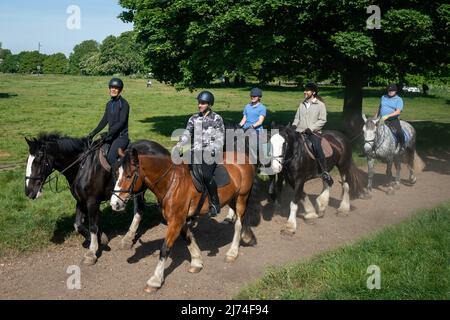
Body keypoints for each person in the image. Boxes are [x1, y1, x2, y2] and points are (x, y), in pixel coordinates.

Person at [176, 91, 225, 217]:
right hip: (195, 151)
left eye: (203, 103)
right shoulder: (193, 118)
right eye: (199, 103)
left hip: (211, 152)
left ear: (209, 104)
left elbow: (220, 138)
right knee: (180, 170)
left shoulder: (217, 118)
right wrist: (179, 145)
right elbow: (187, 134)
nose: (200, 105)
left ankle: (215, 203)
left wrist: (212, 151)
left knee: (206, 174)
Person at [292, 82, 333, 186]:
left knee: (317, 146)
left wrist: (311, 128)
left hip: (313, 133)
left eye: (307, 90)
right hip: (299, 131)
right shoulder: (302, 104)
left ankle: (324, 171)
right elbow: (297, 117)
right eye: (304, 90)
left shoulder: (320, 105)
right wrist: (293, 126)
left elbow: (323, 120)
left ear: (313, 92)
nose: (305, 92)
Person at [87, 78, 130, 166]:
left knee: (111, 157)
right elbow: (104, 120)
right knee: (94, 150)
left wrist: (108, 134)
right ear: (109, 89)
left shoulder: (124, 104)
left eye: (116, 88)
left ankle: (117, 178)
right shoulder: (109, 104)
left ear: (120, 90)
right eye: (111, 87)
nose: (113, 89)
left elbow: (121, 122)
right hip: (111, 136)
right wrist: (92, 133)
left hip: (121, 137)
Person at [238, 87, 267, 164]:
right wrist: (239, 126)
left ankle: (257, 161)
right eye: (251, 96)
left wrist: (251, 127)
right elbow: (244, 118)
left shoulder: (262, 108)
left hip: (256, 129)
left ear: (259, 97)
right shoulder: (247, 106)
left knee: (255, 145)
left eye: (255, 96)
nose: (252, 97)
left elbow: (260, 121)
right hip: (245, 128)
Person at [377, 83, 405, 150]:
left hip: (393, 120)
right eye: (389, 90)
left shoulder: (399, 99)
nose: (390, 92)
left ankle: (402, 146)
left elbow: (398, 111)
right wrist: (375, 117)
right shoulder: (383, 97)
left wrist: (387, 116)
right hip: (381, 119)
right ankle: (369, 149)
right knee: (370, 130)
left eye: (392, 91)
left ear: (395, 91)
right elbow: (379, 108)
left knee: (399, 132)